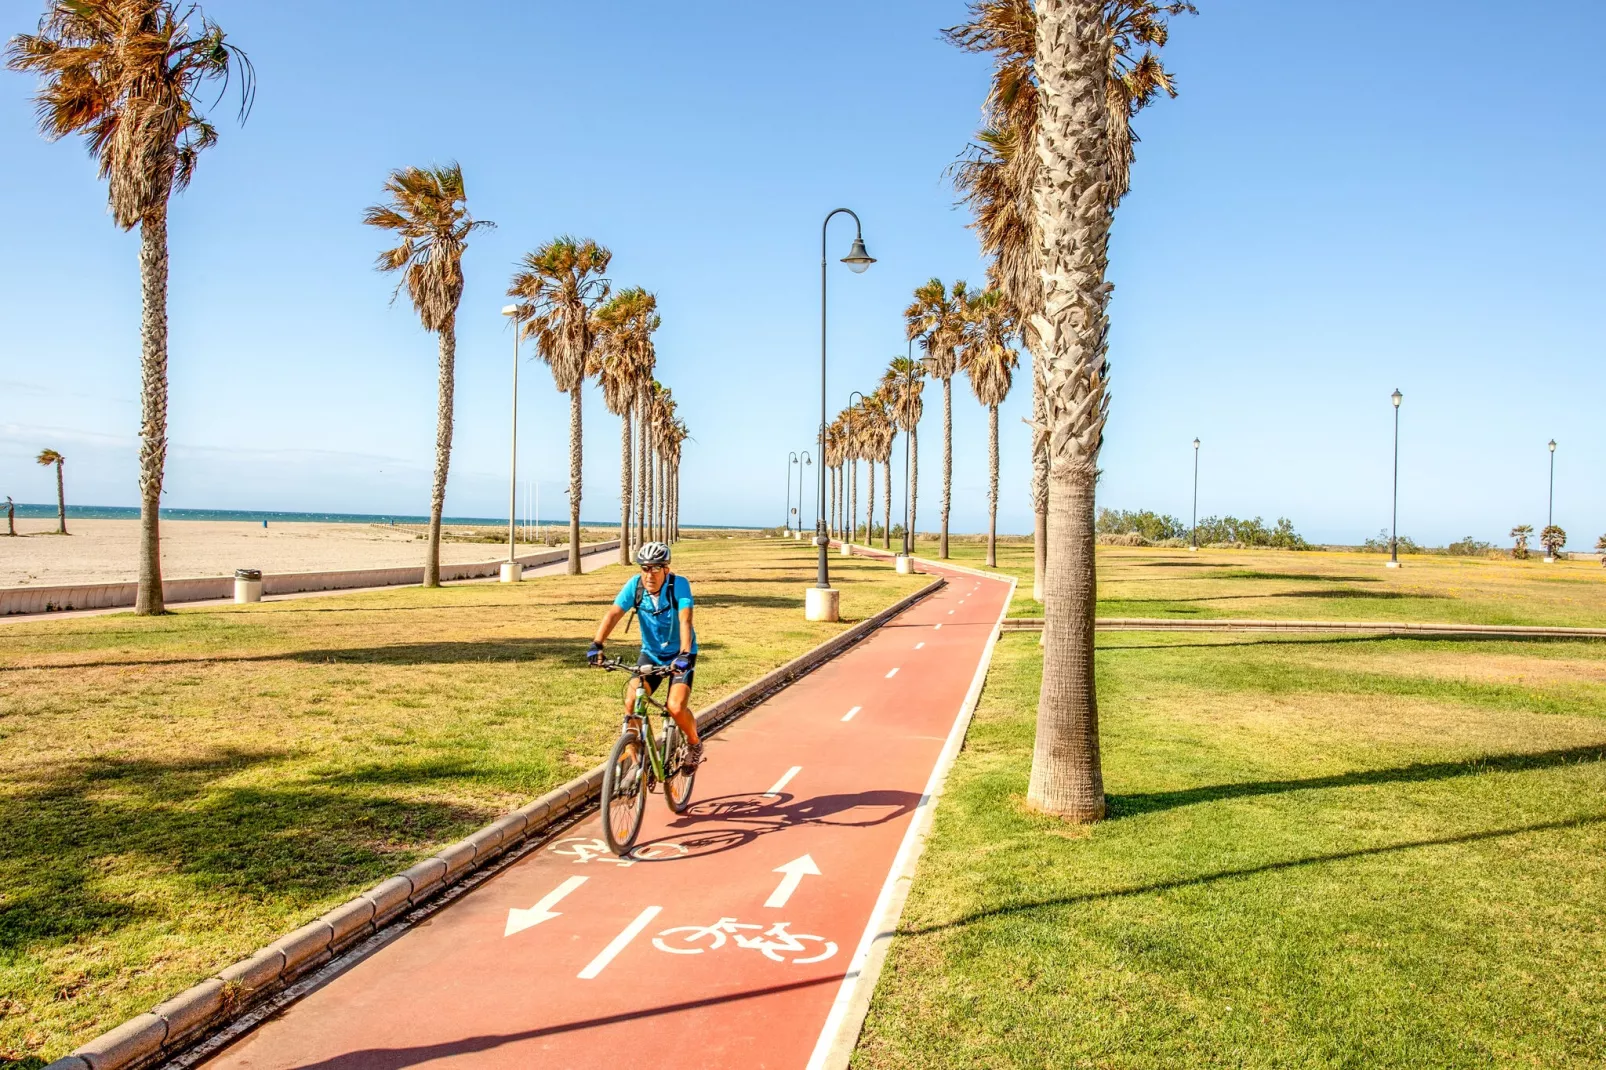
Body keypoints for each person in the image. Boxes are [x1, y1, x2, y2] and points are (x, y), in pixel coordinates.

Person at [587, 541, 704, 769]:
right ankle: (634, 758)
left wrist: (685, 654)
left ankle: (694, 743)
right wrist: (597, 644)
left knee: (675, 707)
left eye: (656, 568)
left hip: (680, 655)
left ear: (666, 569)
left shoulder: (678, 585)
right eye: (645, 568)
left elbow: (685, 619)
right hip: (650, 654)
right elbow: (613, 614)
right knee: (631, 702)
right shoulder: (635, 586)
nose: (649, 574)